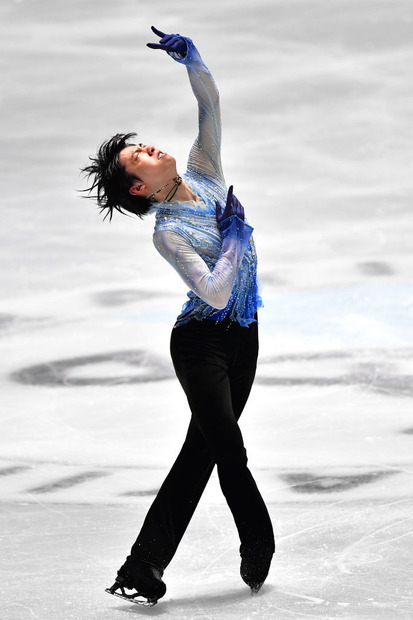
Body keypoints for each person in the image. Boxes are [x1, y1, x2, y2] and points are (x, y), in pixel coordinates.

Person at [81, 26, 275, 607]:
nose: (150, 147)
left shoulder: (205, 172)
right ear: (140, 187)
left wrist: (192, 60)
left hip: (244, 336)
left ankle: (144, 567)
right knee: (228, 448)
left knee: (202, 454)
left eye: (141, 143)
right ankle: (258, 542)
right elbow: (214, 295)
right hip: (200, 345)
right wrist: (235, 237)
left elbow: (209, 104)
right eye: (138, 156)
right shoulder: (168, 234)